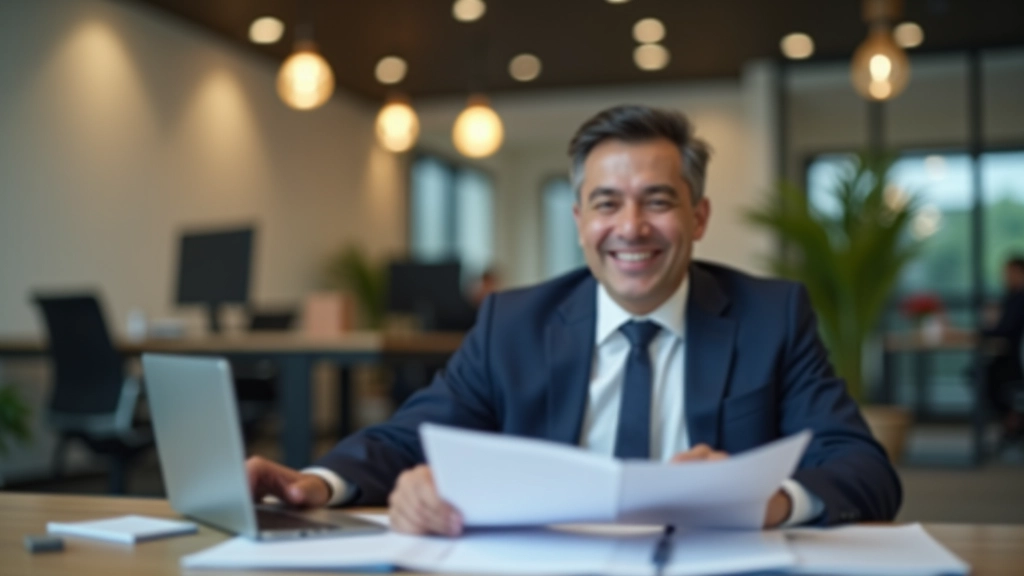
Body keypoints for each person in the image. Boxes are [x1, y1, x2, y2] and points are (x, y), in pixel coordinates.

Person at [246, 105, 901, 535]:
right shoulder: (513, 322)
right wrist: (315, 483)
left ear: (698, 218)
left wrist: (766, 500)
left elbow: (863, 469)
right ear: (581, 221)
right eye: (607, 203)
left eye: (659, 202)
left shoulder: (771, 316)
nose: (631, 228)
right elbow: (407, 438)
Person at [983, 256, 1024, 443]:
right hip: (1009, 359)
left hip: (1014, 364)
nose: (1005, 277)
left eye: (1009, 272)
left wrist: (985, 328)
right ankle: (1012, 420)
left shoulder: (1019, 299)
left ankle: (1013, 421)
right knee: (981, 373)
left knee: (984, 376)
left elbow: (1003, 330)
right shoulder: (1011, 297)